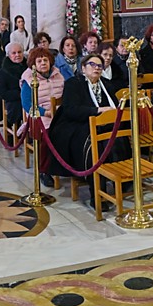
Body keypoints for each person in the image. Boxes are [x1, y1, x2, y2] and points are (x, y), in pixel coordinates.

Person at [46, 53, 124, 209]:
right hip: (74, 124)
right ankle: (97, 192)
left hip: (101, 125)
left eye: (100, 66)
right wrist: (98, 110)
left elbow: (114, 108)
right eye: (92, 65)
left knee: (119, 137)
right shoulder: (73, 84)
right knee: (91, 143)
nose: (96, 68)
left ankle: (122, 180)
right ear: (83, 68)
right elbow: (71, 110)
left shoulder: (106, 85)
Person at [19, 47, 64, 188]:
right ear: (33, 64)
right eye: (39, 61)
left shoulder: (58, 75)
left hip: (59, 113)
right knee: (48, 135)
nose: (43, 63)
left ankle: (69, 165)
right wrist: (46, 112)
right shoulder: (28, 80)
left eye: (45, 60)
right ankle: (44, 169)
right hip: (39, 115)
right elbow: (27, 104)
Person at [0, 42, 27, 131]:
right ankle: (16, 132)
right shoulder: (3, 71)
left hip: (29, 97)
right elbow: (2, 92)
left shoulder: (29, 67)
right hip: (14, 99)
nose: (17, 55)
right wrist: (20, 94)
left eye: (19, 52)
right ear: (9, 55)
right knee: (17, 108)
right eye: (14, 53)